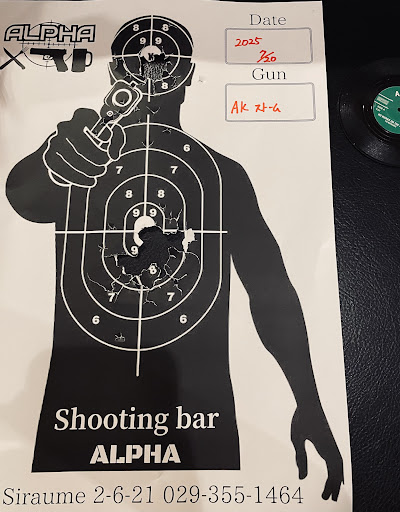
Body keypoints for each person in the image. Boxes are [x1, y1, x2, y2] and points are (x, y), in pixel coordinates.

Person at [6, 15, 343, 501]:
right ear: (116, 72)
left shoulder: (222, 176)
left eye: (163, 60)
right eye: (138, 58)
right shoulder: (82, 160)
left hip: (190, 422)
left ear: (186, 74)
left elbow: (271, 290)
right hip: (84, 416)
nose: (150, 70)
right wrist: (53, 161)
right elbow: (24, 198)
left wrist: (308, 401)